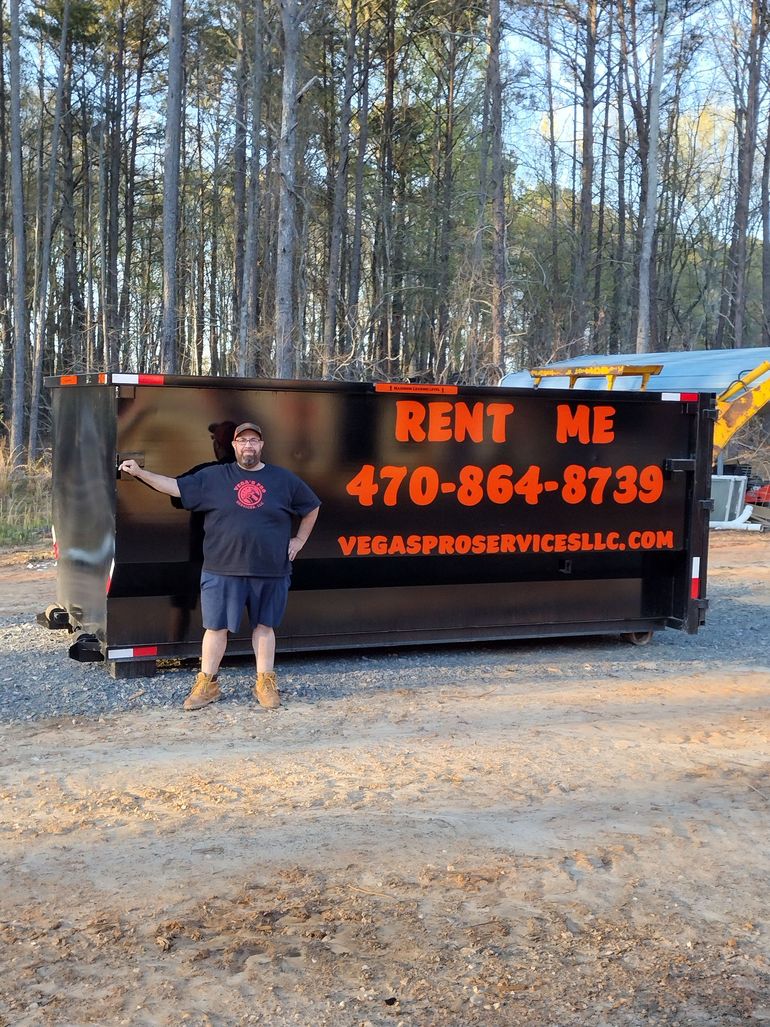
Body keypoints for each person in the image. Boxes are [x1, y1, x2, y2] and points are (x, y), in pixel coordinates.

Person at [119, 422, 320, 712]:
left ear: (261, 446)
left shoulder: (283, 480)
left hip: (271, 569)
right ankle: (207, 685)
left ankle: (265, 683)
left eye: (253, 441)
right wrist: (139, 472)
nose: (248, 445)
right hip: (221, 569)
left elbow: (311, 506)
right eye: (242, 441)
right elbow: (174, 487)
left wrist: (299, 540)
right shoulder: (213, 477)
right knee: (215, 629)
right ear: (234, 446)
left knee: (265, 627)